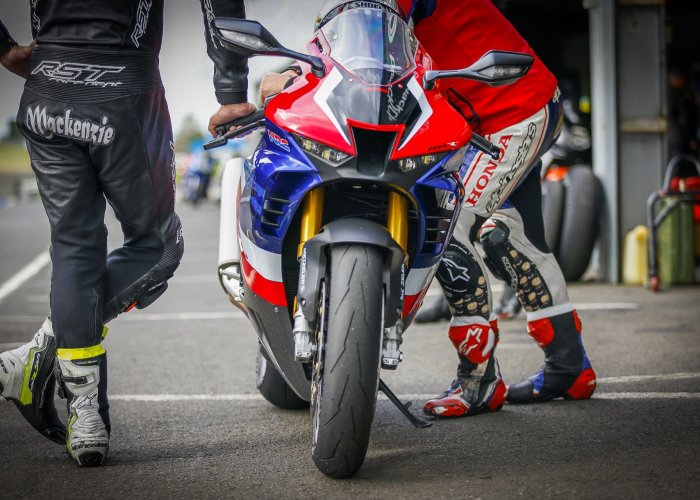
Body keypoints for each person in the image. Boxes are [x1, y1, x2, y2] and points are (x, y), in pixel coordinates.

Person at [263, 0, 596, 417]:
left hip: (512, 111)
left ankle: (479, 380)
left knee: (452, 227)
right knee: (511, 238)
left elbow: (365, 39)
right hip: (504, 107)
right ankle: (570, 366)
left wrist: (293, 75)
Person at [0, 1, 254, 467]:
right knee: (157, 246)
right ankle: (45, 354)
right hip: (122, 90)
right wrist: (230, 88)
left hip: (45, 91)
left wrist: (5, 49)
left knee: (74, 249)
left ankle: (86, 418)